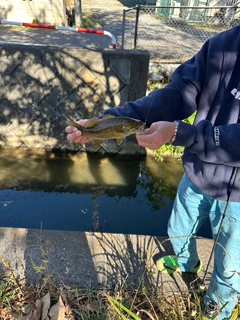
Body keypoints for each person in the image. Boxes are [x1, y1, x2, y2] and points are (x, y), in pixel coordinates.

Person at [65, 26, 240, 319]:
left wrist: (182, 134)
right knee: (179, 229)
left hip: (237, 195)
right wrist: (112, 120)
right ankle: (186, 264)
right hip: (197, 170)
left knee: (230, 263)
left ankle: (218, 308)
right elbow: (179, 93)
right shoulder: (223, 43)